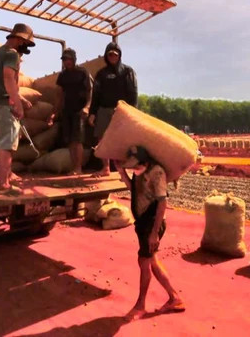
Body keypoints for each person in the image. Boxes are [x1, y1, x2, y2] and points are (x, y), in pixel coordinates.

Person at [115, 146, 184, 321]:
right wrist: (122, 173)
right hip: (142, 223)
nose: (133, 168)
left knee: (144, 261)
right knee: (151, 261)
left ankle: (141, 305)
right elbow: (135, 191)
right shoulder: (138, 172)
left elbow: (162, 203)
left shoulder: (157, 173)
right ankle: (174, 298)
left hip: (153, 223)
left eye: (135, 165)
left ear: (145, 161)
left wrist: (154, 233)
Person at [0, 23, 34, 195]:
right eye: (25, 43)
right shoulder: (12, 54)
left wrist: (20, 97)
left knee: (4, 144)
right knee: (7, 145)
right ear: (19, 39)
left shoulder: (0, 52)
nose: (25, 47)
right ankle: (2, 185)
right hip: (4, 104)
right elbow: (8, 78)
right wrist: (18, 104)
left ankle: (6, 177)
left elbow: (3, 81)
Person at [89, 42, 137, 177]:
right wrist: (92, 113)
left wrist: (132, 111)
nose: (113, 57)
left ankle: (123, 172)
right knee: (102, 140)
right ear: (106, 55)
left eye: (115, 54)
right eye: (110, 54)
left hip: (122, 111)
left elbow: (133, 92)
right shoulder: (101, 74)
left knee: (122, 141)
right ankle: (105, 168)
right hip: (104, 110)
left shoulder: (128, 71)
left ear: (119, 56)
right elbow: (96, 95)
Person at [55, 48, 92, 175]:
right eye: (64, 59)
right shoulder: (62, 75)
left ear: (74, 59)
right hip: (67, 110)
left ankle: (78, 168)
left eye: (69, 59)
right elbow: (60, 95)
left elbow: (90, 91)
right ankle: (74, 167)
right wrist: (55, 111)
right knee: (70, 140)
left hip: (79, 110)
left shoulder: (82, 72)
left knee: (77, 140)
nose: (66, 62)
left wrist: (87, 107)